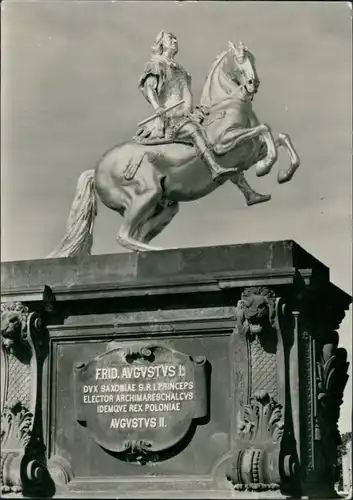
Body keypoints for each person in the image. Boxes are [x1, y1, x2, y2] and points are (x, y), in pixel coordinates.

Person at [135, 31, 235, 182]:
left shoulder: (180, 68)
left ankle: (247, 190)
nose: (175, 41)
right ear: (162, 44)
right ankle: (214, 169)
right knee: (194, 130)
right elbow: (149, 87)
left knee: (215, 131)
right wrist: (157, 107)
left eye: (175, 38)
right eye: (170, 38)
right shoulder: (157, 64)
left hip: (186, 115)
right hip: (170, 118)